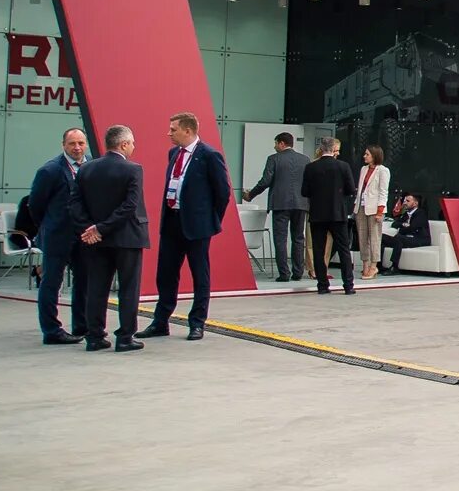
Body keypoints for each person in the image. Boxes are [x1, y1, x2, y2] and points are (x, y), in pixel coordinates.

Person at [142, 112, 231, 342]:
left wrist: (211, 220)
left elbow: (222, 192)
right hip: (172, 221)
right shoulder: (174, 153)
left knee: (199, 275)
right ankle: (161, 321)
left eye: (173, 129)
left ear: (188, 131)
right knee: (166, 274)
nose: (169, 133)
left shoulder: (209, 155)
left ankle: (197, 322)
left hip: (197, 226)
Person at [69, 124, 148, 352]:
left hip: (95, 241)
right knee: (128, 288)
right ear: (123, 144)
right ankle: (125, 337)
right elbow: (129, 206)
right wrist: (102, 228)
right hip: (127, 238)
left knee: (96, 287)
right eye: (132, 143)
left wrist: (90, 229)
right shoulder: (132, 169)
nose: (133, 147)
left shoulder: (86, 169)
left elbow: (75, 202)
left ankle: (94, 336)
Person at [27, 127, 92, 345]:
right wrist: (48, 227)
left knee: (84, 282)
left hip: (83, 236)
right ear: (63, 145)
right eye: (72, 143)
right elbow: (35, 204)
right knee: (51, 283)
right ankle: (51, 330)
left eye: (81, 143)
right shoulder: (50, 170)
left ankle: (82, 326)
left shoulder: (91, 165)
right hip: (57, 236)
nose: (77, 148)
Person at [245, 132, 309, 283]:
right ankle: (298, 272)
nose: (274, 147)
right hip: (301, 204)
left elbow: (265, 181)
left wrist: (250, 195)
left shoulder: (274, 159)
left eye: (275, 143)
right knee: (298, 238)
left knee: (280, 239)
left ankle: (284, 274)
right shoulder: (305, 160)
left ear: (281, 143)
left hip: (280, 204)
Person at [302, 138, 357, 294]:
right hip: (337, 213)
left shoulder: (310, 168)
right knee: (343, 249)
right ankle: (348, 285)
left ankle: (322, 285)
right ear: (333, 149)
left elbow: (304, 191)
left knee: (319, 250)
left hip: (317, 214)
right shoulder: (343, 166)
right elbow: (351, 189)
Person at [355, 145, 391, 280]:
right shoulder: (363, 169)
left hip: (375, 208)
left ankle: (374, 265)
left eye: (367, 154)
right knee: (362, 237)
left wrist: (380, 211)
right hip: (361, 206)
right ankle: (365, 264)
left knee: (374, 237)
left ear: (375, 156)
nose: (364, 156)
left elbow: (383, 191)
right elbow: (360, 189)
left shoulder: (383, 170)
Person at [381, 193, 430, 274]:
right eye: (404, 201)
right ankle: (379, 266)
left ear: (415, 203)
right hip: (406, 238)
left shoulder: (421, 213)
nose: (405, 203)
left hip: (420, 239)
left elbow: (412, 228)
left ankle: (394, 267)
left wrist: (403, 228)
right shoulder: (406, 214)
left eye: (408, 201)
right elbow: (395, 224)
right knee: (382, 238)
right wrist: (403, 224)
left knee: (399, 238)